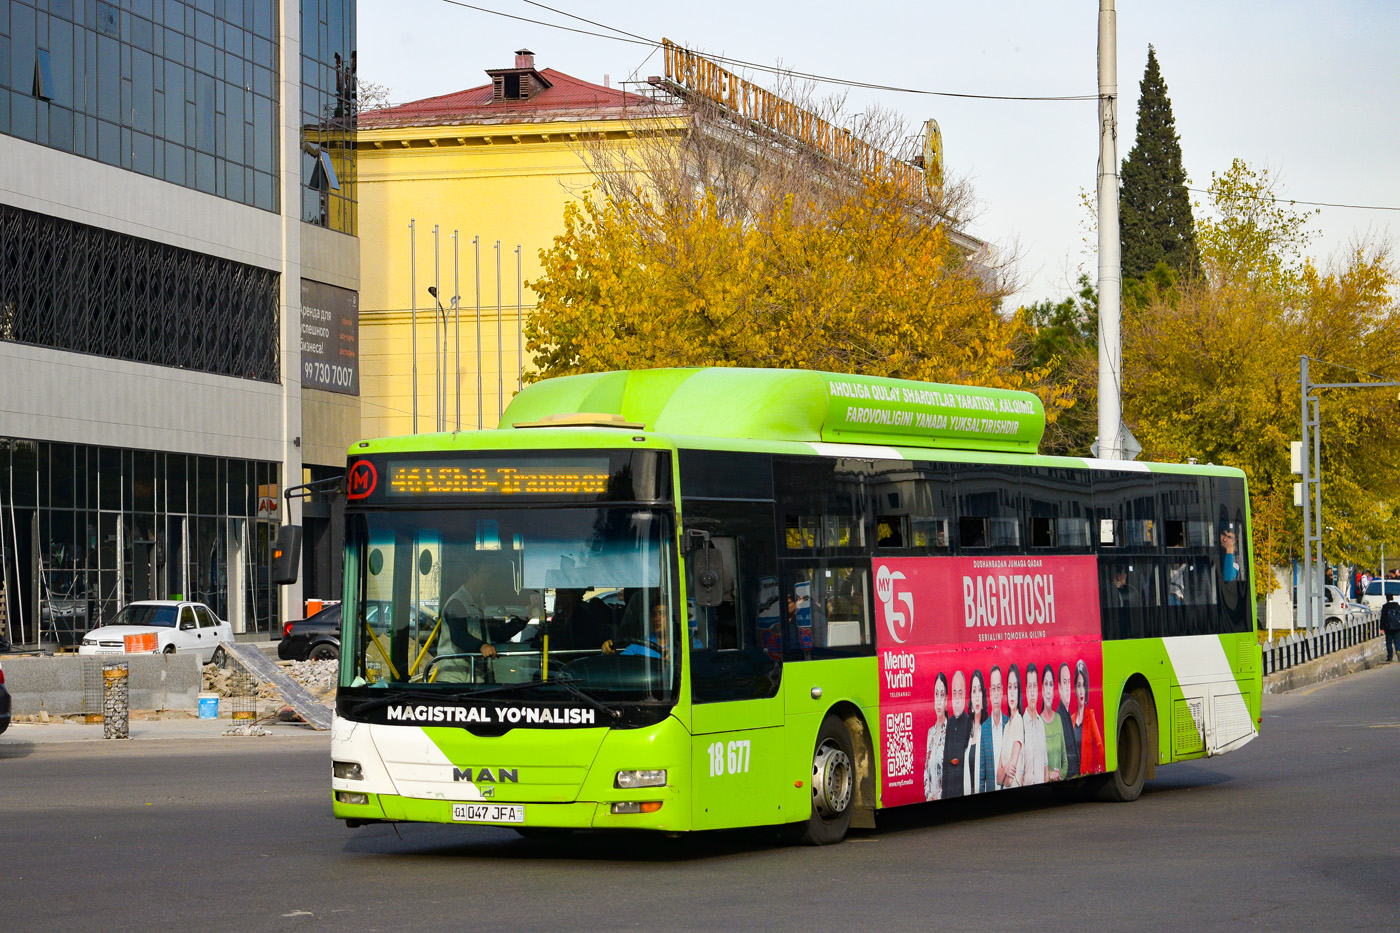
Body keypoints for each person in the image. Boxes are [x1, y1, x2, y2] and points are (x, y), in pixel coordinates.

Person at [435, 563, 528, 683]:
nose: (488, 578)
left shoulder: (480, 605)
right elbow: (459, 636)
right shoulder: (456, 603)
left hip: (476, 678)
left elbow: (498, 632)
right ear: (472, 574)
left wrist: (523, 618)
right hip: (455, 680)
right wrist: (481, 646)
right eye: (485, 573)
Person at [942, 671, 972, 799]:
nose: (957, 698)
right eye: (955, 692)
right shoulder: (949, 724)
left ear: (965, 694)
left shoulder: (969, 723)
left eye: (960, 692)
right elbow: (946, 767)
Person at [979, 665, 1006, 793]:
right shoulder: (984, 729)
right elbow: (982, 772)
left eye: (998, 688)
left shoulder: (1009, 724)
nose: (996, 693)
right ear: (989, 692)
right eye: (993, 689)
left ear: (1002, 691)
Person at [1075, 660, 1105, 775]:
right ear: (1075, 689)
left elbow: (1100, 748)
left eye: (1084, 685)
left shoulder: (1090, 715)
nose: (1081, 691)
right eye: (1078, 686)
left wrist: (1097, 770)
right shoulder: (1072, 719)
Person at [1019, 662, 1047, 786]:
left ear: (1038, 690)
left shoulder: (1041, 724)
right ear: (1025, 691)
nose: (1032, 692)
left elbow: (1046, 766)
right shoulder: (1021, 724)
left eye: (1034, 686)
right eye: (1029, 687)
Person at [997, 665, 1024, 789]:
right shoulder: (1007, 726)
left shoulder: (1018, 721)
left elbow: (1008, 781)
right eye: (1009, 687)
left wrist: (1005, 770)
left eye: (1015, 687)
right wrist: (1005, 770)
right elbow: (998, 778)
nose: (1012, 692)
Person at [923, 673, 948, 802]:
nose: (938, 700)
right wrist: (928, 796)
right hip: (930, 800)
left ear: (946, 700)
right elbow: (926, 770)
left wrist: (938, 796)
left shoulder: (950, 731)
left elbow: (952, 774)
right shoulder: (930, 733)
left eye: (942, 695)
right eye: (936, 694)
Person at [1041, 665, 1067, 782]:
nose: (1048, 689)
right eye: (1045, 684)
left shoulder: (1058, 719)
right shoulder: (1037, 722)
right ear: (1041, 689)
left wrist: (1059, 774)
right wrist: (1049, 774)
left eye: (1051, 685)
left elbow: (1065, 761)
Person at [963, 669, 987, 796]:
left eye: (979, 690)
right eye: (974, 691)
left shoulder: (988, 728)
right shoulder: (966, 730)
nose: (977, 696)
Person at [1056, 662, 1080, 779]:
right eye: (1064, 682)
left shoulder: (1067, 713)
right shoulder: (1059, 717)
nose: (1067, 687)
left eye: (1069, 682)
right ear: (1059, 688)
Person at [1381, 594, 1400, 662]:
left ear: (1386, 599)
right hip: (1397, 627)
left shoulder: (1385, 607)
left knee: (1389, 642)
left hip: (1388, 627)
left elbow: (1382, 618)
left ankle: (1390, 656)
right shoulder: (1397, 606)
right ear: (1393, 598)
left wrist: (1382, 628)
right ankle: (1398, 651)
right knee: (1397, 641)